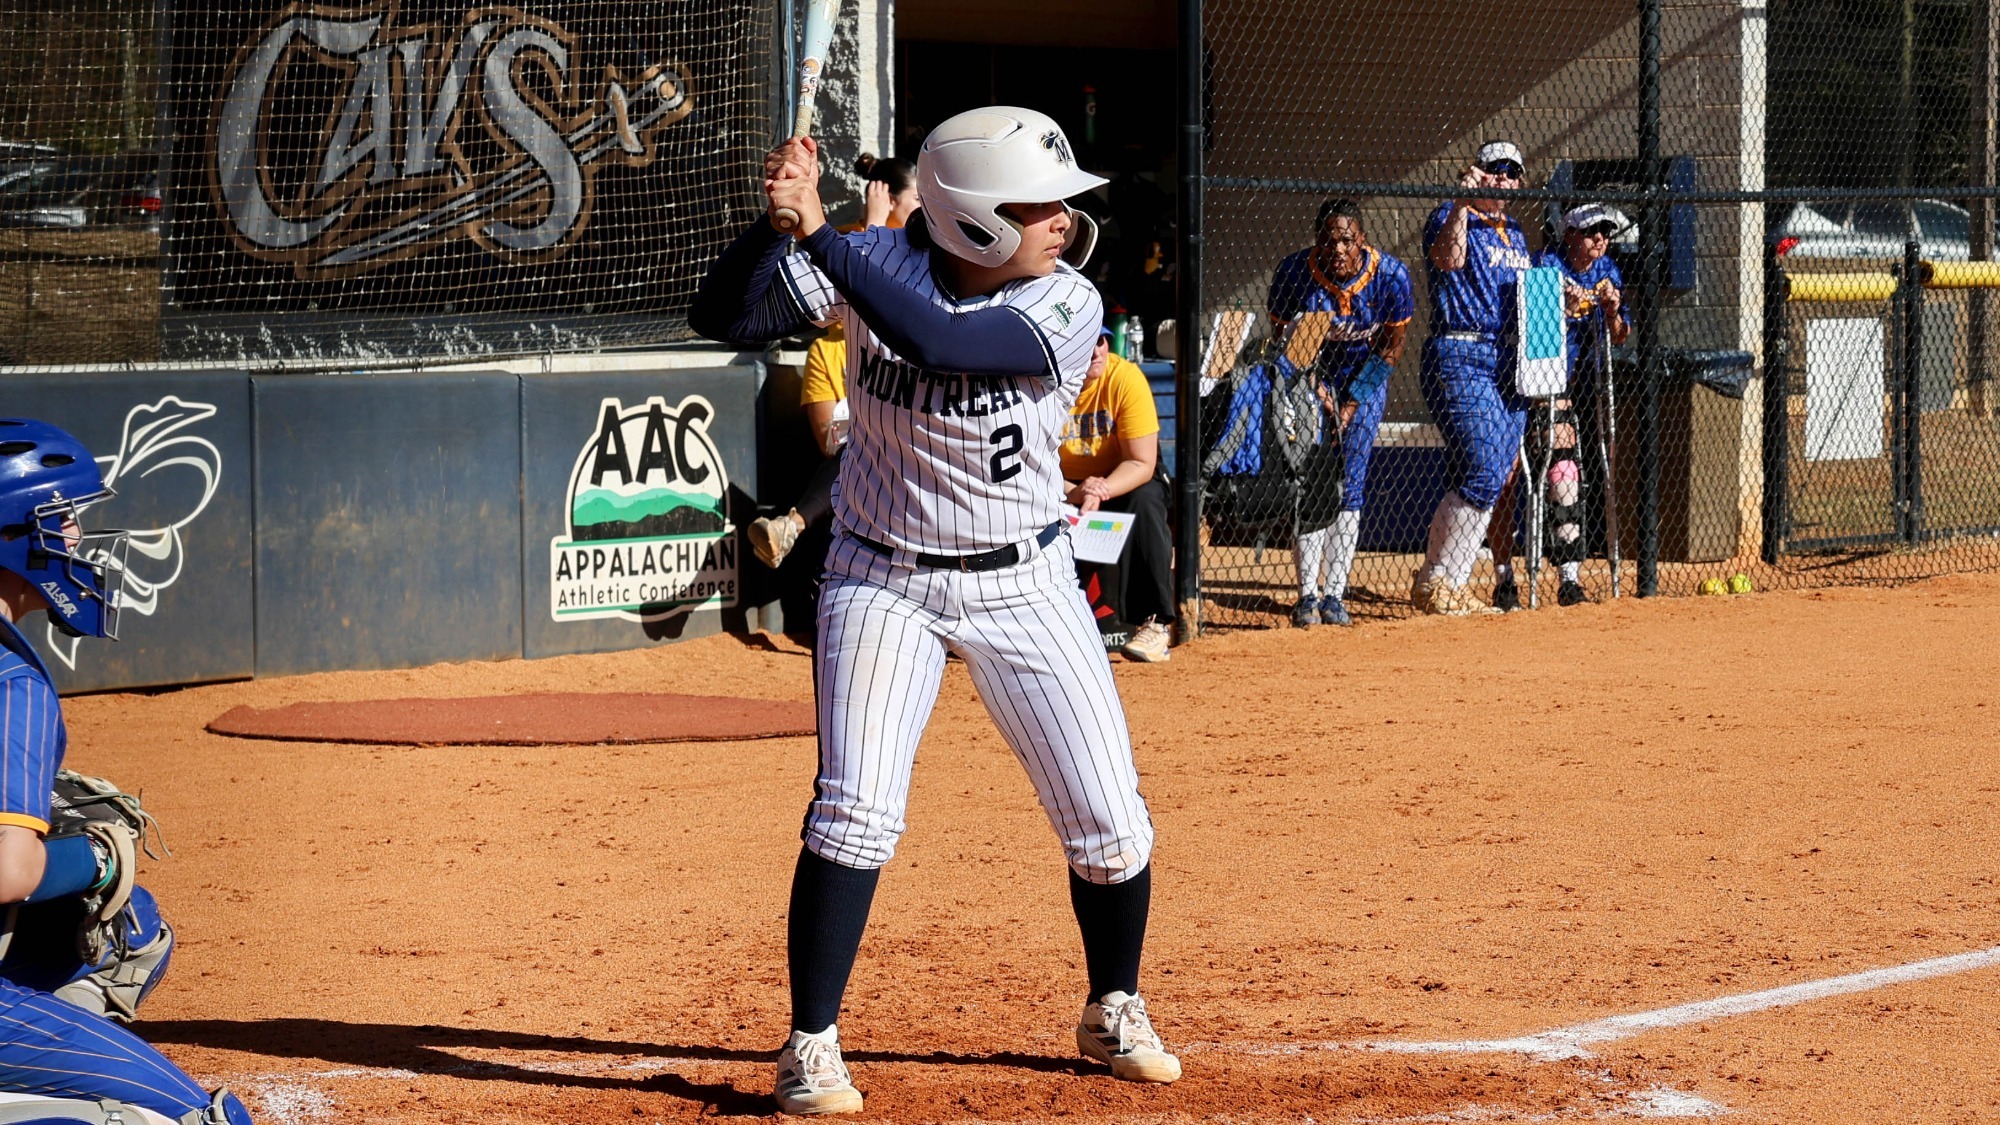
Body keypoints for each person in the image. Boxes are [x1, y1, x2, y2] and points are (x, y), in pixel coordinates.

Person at [691, 106, 1178, 1116]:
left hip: (1025, 581)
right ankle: (811, 1045)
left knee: (1109, 822)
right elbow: (722, 315)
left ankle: (1112, 1001)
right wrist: (775, 220)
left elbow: (946, 342)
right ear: (970, 220)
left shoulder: (1065, 300)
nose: (1062, 219)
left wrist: (822, 238)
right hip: (880, 580)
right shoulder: (870, 259)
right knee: (855, 811)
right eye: (1035, 204)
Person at [0, 419, 251, 1125]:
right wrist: (96, 859)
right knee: (202, 1121)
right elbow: (9, 871)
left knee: (136, 931)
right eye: (62, 518)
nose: (76, 538)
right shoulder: (12, 680)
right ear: (16, 534)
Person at [749, 155, 920, 569]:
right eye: (917, 197)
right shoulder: (828, 346)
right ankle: (792, 529)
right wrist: (873, 223)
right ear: (892, 198)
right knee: (856, 446)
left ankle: (793, 524)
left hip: (919, 432)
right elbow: (828, 438)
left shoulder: (926, 255)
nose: (926, 208)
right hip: (864, 452)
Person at [1266, 199, 1413, 627]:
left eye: (1347, 240)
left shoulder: (1390, 276)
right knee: (1312, 477)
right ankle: (1307, 595)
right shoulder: (1296, 272)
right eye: (1329, 240)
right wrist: (1314, 387)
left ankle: (1335, 594)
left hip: (1365, 376)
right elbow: (1283, 336)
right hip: (1311, 370)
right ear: (1318, 242)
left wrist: (1351, 402)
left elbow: (1391, 346)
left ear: (1362, 239)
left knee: (1351, 478)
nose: (1339, 249)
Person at [1411, 140, 1537, 615]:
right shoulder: (1449, 213)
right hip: (1462, 353)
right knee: (1483, 469)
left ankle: (1442, 583)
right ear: (1476, 173)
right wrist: (1461, 202)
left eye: (1512, 172)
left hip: (1510, 362)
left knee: (1493, 476)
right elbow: (1448, 259)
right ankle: (1442, 580)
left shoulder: (1515, 233)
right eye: (1494, 170)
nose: (1503, 179)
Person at [1488, 203, 1631, 610]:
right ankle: (1505, 578)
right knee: (1509, 479)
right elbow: (1532, 332)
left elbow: (1619, 335)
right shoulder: (1545, 266)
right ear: (1569, 235)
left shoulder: (1607, 272)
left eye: (1605, 231)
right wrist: (1559, 305)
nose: (1600, 238)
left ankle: (1569, 577)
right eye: (1590, 232)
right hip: (1526, 383)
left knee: (1564, 469)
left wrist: (1611, 309)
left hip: (1570, 385)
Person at [1061, 325, 1172, 661]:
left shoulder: (1125, 377)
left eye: (1101, 340)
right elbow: (1030, 462)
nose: (1096, 350)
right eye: (1086, 340)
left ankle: (1154, 624)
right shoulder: (1044, 386)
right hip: (1059, 484)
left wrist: (1100, 489)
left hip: (1122, 478)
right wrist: (1075, 492)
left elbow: (1141, 463)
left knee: (1146, 500)